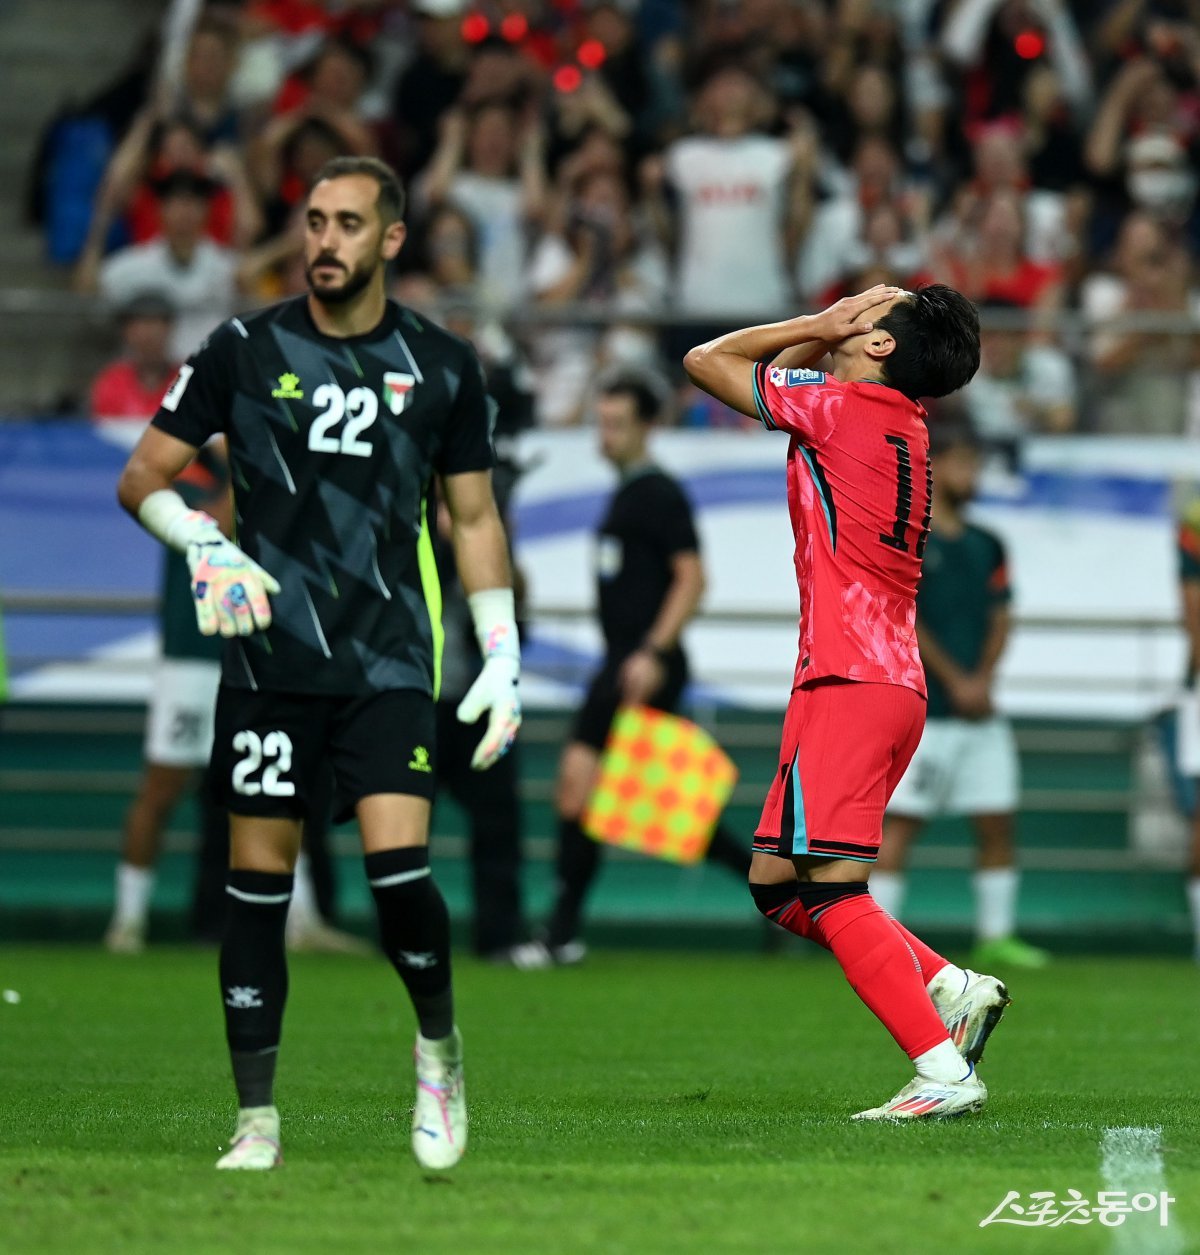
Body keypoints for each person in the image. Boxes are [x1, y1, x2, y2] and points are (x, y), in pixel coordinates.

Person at [116, 155, 521, 1173]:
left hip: (388, 656)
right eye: (312, 220)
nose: (323, 241)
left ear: (390, 239)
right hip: (268, 658)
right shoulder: (244, 347)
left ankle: (439, 1047)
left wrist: (502, 652)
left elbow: (472, 516)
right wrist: (206, 544)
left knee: (398, 878)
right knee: (255, 887)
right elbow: (144, 478)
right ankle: (256, 1119)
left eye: (347, 223)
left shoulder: (442, 363)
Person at [683, 283, 1010, 1121]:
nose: (842, 321)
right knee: (776, 884)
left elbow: (707, 363)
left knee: (830, 889)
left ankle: (942, 1071)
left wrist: (813, 324)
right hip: (883, 679)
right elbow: (763, 391)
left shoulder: (840, 410)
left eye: (859, 319)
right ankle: (949, 983)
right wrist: (832, 331)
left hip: (850, 678)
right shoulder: (890, 421)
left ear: (877, 347)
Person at [520, 376, 751, 968]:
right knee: (650, 806)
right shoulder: (627, 492)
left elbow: (693, 578)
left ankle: (560, 933)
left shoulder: (658, 493)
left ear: (647, 426)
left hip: (641, 665)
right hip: (622, 662)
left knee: (596, 793)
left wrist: (652, 651)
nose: (606, 434)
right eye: (601, 422)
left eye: (618, 423)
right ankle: (776, 895)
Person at [874, 427, 1049, 971]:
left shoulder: (988, 543)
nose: (970, 476)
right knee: (900, 825)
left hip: (980, 713)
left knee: (997, 821)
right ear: (933, 468)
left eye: (975, 465)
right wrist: (956, 681)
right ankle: (878, 943)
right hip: (925, 710)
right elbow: (906, 617)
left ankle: (995, 936)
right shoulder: (908, 537)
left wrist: (984, 680)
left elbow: (1001, 616)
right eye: (962, 464)